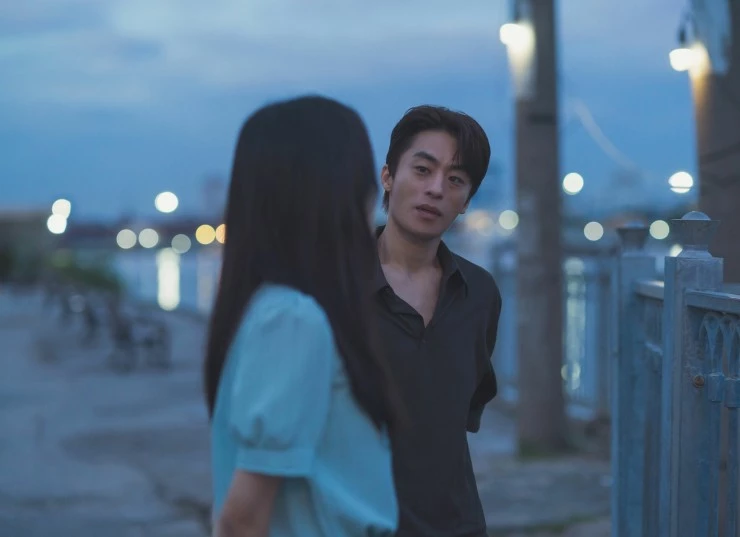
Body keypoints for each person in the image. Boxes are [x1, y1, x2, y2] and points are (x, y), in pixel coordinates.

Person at [203, 95, 401, 537]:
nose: (376, 198)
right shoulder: (293, 321)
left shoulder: (267, 310)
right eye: (366, 180)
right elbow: (241, 520)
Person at [373, 105, 502, 537]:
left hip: (457, 524)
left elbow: (463, 410)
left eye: (455, 180)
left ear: (466, 201)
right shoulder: (333, 287)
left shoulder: (479, 294)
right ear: (388, 176)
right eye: (423, 170)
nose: (436, 189)